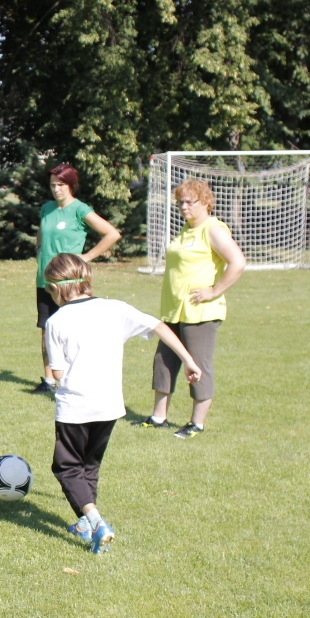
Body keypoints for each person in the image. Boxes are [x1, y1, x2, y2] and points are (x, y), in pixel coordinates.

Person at [43, 254, 201, 553]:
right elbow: (159, 326)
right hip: (110, 404)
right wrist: (189, 360)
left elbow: (58, 372)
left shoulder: (56, 321)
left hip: (76, 406)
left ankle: (96, 521)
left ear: (56, 288)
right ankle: (83, 524)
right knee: (89, 465)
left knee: (66, 467)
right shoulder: (115, 308)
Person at [133, 178, 245, 439]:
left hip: (200, 312)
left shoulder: (213, 229)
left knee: (197, 364)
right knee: (163, 360)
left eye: (189, 202)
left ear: (205, 203)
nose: (183, 207)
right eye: (180, 202)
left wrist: (214, 291)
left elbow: (238, 262)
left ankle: (196, 423)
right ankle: (158, 417)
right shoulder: (186, 230)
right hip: (174, 311)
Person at [33, 163, 122, 394]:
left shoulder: (80, 210)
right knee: (47, 328)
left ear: (71, 185)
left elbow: (112, 233)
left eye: (61, 185)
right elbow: (41, 234)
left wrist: (87, 256)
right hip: (46, 281)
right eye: (53, 185)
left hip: (69, 283)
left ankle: (75, 379)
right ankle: (49, 380)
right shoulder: (46, 209)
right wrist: (39, 251)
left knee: (71, 330)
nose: (56, 189)